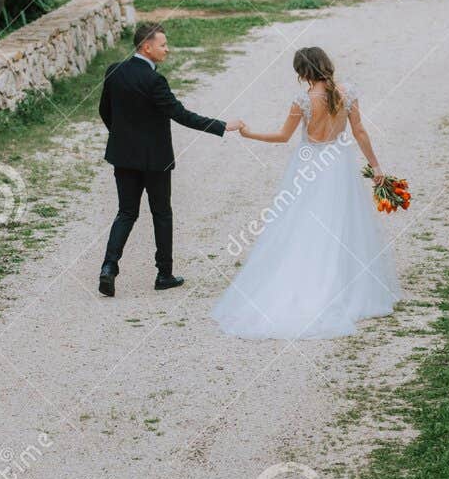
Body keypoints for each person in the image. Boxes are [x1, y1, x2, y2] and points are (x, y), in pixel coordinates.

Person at [211, 46, 401, 339]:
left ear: (301, 73)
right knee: (344, 223)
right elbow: (360, 131)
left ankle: (306, 280)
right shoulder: (347, 92)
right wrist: (376, 167)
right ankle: (347, 286)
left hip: (310, 164)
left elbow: (282, 137)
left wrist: (249, 134)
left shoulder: (303, 100)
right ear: (327, 63)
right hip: (339, 163)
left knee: (301, 221)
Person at [97, 22, 242, 297]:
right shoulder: (154, 81)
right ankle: (164, 274)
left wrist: (122, 138)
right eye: (163, 45)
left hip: (123, 157)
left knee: (126, 212)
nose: (167, 49)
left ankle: (108, 267)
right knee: (161, 213)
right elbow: (181, 114)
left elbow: (105, 111)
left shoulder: (114, 71)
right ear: (146, 47)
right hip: (155, 160)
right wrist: (222, 125)